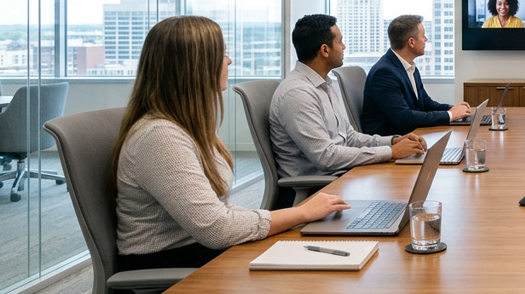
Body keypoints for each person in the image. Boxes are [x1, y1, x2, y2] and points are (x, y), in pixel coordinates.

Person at [112, 15, 349, 276]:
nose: (229, 60)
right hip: (170, 264)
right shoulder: (161, 137)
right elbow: (217, 228)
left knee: (315, 257)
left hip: (200, 249)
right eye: (222, 53)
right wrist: (302, 213)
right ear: (195, 66)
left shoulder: (187, 127)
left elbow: (217, 214)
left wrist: (292, 216)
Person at [269, 14, 427, 180]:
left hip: (343, 174)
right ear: (325, 50)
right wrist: (390, 152)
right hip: (318, 188)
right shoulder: (297, 94)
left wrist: (393, 141)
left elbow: (349, 138)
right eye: (340, 42)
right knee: (402, 186)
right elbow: (326, 157)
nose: (344, 47)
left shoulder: (324, 85)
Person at [361, 15, 472, 136]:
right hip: (393, 142)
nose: (426, 39)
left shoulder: (409, 67)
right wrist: (450, 115)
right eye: (423, 35)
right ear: (411, 42)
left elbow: (426, 104)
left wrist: (454, 109)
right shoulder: (384, 73)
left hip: (412, 134)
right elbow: (404, 118)